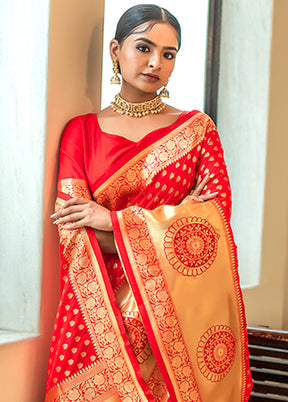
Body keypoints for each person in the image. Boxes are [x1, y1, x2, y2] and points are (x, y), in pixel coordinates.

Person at [46, 4, 252, 401]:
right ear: (115, 50)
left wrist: (109, 220)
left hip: (173, 322)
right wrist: (172, 220)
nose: (156, 62)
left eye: (169, 54)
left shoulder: (196, 130)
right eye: (143, 47)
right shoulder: (80, 132)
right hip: (97, 320)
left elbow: (212, 229)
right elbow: (73, 232)